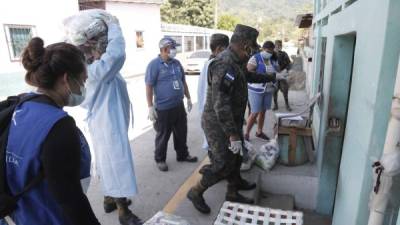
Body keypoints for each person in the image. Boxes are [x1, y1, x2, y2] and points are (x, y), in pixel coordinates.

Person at [3, 37, 99, 225]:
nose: (83, 87)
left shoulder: (20, 105)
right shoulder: (58, 126)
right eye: (82, 80)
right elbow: (71, 200)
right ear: (66, 79)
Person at [187, 24, 276, 214]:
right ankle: (196, 192)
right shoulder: (224, 64)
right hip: (218, 124)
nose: (252, 51)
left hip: (230, 120)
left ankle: (233, 190)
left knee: (236, 158)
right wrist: (233, 135)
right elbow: (220, 105)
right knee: (222, 164)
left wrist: (272, 77)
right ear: (244, 45)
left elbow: (247, 75)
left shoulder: (236, 61)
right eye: (252, 46)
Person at [78, 15, 141, 225]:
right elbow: (116, 55)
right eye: (99, 46)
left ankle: (108, 199)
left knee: (107, 164)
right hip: (107, 125)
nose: (102, 50)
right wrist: (114, 28)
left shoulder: (95, 69)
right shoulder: (95, 71)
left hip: (106, 124)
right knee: (117, 164)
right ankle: (124, 212)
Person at [145, 37, 198, 172]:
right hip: (163, 109)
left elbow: (183, 81)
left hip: (178, 106)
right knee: (163, 135)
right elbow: (149, 86)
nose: (175, 50)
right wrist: (150, 107)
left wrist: (189, 98)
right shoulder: (154, 65)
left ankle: (182, 154)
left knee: (181, 132)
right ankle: (160, 159)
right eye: (172, 48)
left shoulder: (176, 63)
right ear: (164, 49)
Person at [197, 33, 230, 152]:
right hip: (214, 115)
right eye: (227, 49)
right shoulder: (216, 65)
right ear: (219, 49)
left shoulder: (210, 62)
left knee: (214, 148)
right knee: (218, 152)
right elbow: (220, 96)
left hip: (209, 113)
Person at [244, 41, 280, 141]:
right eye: (268, 51)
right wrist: (263, 74)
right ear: (263, 49)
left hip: (268, 89)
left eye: (271, 51)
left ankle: (259, 132)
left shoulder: (273, 58)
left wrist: (279, 73)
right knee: (254, 112)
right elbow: (248, 72)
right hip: (256, 89)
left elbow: (277, 69)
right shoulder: (255, 58)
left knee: (263, 111)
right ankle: (246, 134)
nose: (269, 53)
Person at [273, 40, 292, 111]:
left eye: (280, 45)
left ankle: (287, 105)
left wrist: (286, 70)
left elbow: (289, 64)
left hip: (282, 75)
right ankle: (275, 105)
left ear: (281, 46)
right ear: (274, 46)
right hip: (274, 75)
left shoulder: (284, 54)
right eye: (277, 45)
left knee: (285, 90)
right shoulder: (271, 54)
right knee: (274, 91)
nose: (278, 47)